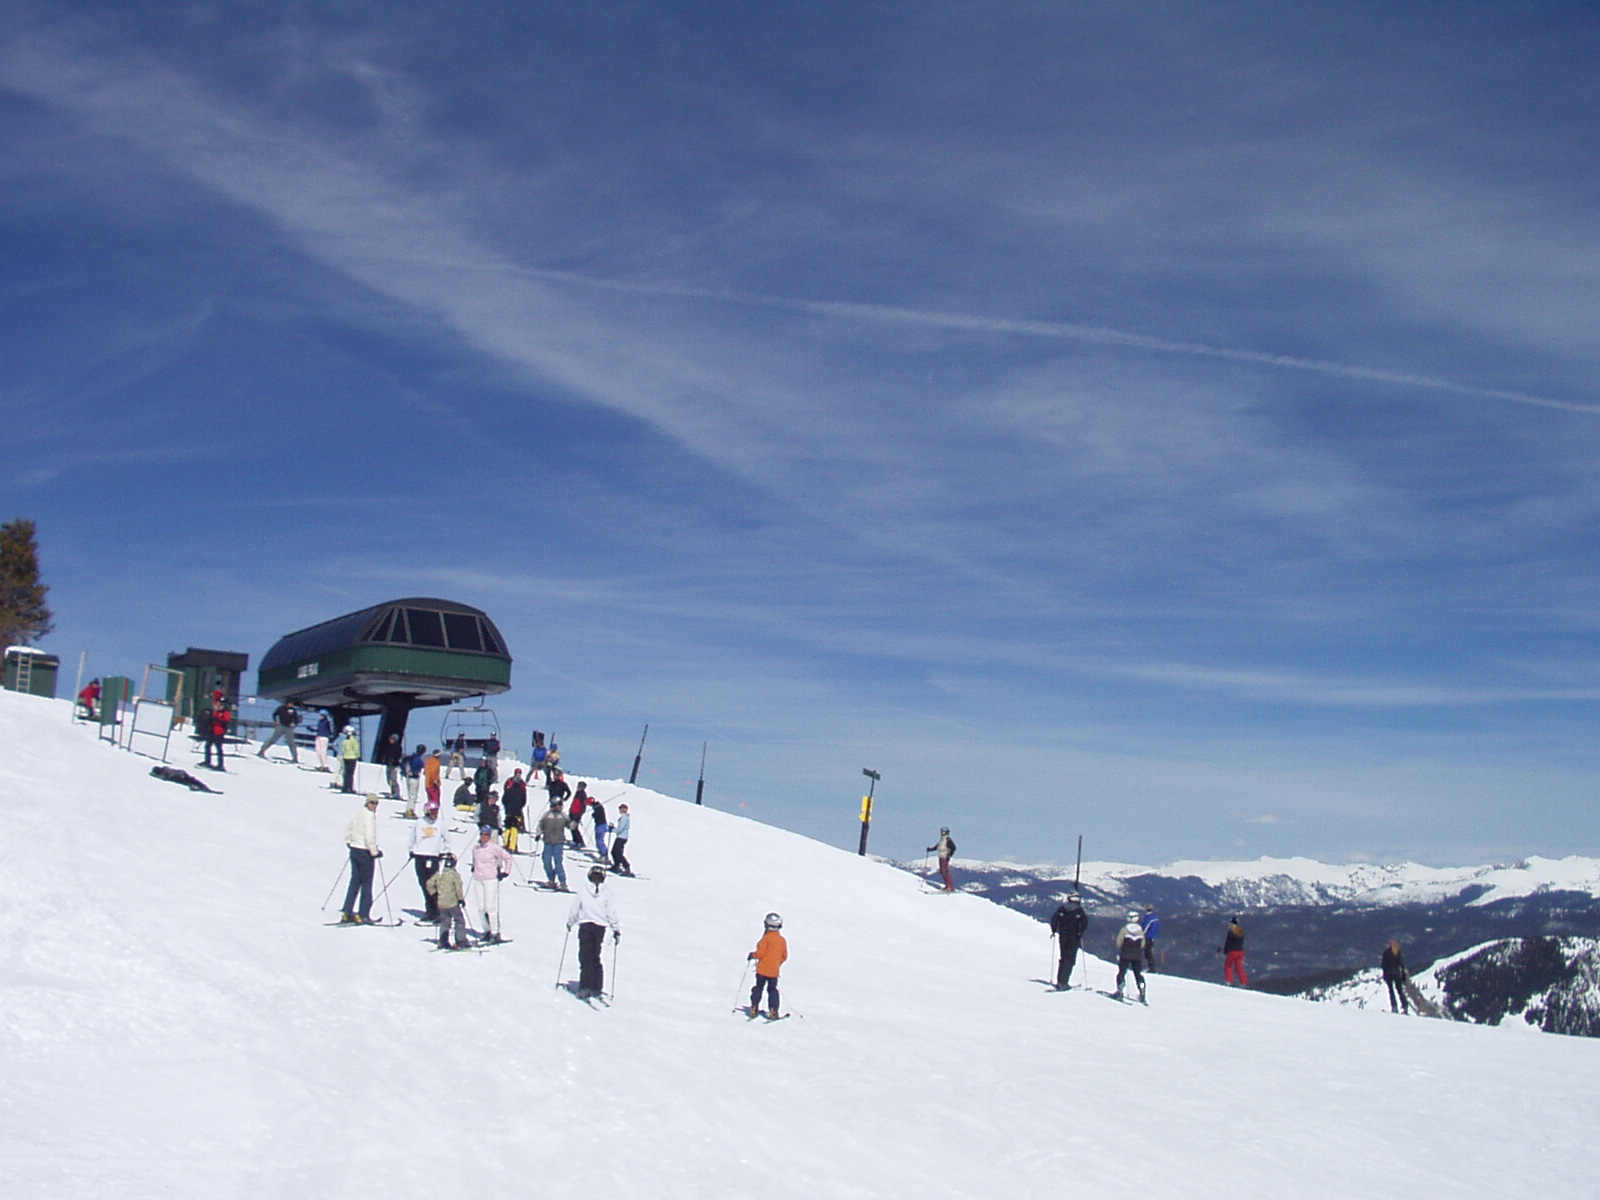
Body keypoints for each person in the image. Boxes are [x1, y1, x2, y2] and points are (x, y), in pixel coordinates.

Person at [567, 864, 621, 1000]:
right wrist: (615, 929)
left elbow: (575, 909)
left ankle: (585, 987)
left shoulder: (583, 891)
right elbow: (611, 912)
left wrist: (570, 923)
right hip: (600, 927)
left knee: (586, 956)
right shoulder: (607, 893)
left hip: (585, 925)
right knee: (595, 955)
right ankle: (597, 987)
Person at [339, 794, 383, 924]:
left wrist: (349, 841)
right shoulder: (369, 816)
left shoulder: (359, 812)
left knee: (354, 882)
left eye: (376, 803)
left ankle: (347, 912)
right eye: (372, 803)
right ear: (367, 802)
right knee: (367, 885)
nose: (374, 806)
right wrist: (374, 852)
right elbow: (370, 836)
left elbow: (350, 827)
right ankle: (363, 914)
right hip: (365, 852)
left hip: (355, 850)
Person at [470, 824, 514, 944]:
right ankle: (486, 931)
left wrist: (505, 872)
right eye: (482, 834)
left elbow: (508, 858)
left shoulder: (494, 848)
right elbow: (475, 861)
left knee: (490, 907)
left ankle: (495, 932)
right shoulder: (476, 848)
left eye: (486, 835)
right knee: (481, 907)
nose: (483, 837)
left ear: (490, 836)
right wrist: (474, 867)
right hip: (478, 879)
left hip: (490, 879)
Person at [409, 797, 451, 921]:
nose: (434, 814)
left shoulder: (440, 823)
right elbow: (412, 838)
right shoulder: (419, 823)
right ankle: (430, 911)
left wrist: (444, 852)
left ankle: (437, 912)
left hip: (433, 856)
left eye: (436, 811)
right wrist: (411, 850)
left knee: (432, 885)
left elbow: (447, 839)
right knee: (423, 884)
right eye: (432, 812)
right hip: (420, 856)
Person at [746, 911, 789, 1019]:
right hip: (774, 971)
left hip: (761, 970)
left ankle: (754, 1007)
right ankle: (773, 1011)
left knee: (758, 987)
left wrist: (753, 955)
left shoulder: (765, 938)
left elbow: (760, 953)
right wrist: (776, 963)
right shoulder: (782, 940)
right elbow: (784, 956)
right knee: (772, 990)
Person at [427, 853, 470, 951]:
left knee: (445, 921)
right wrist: (461, 899)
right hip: (452, 903)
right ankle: (460, 940)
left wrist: (434, 894)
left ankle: (443, 941)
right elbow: (458, 888)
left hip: (441, 903)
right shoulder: (454, 875)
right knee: (459, 920)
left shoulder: (439, 874)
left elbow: (429, 883)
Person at [1048, 891, 1089, 989]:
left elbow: (1054, 919)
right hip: (1074, 937)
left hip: (1063, 936)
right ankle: (1063, 982)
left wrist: (1054, 930)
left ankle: (1060, 980)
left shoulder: (1062, 909)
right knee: (1070, 959)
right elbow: (1084, 922)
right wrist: (1080, 932)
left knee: (1063, 958)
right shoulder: (1079, 911)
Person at [1114, 910, 1147, 1003]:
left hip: (1125, 955)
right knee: (1138, 974)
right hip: (1137, 956)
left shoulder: (1124, 929)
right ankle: (1141, 988)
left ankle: (1120, 989)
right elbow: (1143, 944)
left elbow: (1119, 942)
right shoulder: (1140, 930)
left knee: (1122, 972)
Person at [539, 798, 572, 890]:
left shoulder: (563, 815)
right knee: (546, 861)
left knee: (558, 863)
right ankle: (551, 880)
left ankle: (563, 882)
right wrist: (538, 833)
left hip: (558, 843)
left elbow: (570, 826)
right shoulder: (547, 815)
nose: (560, 807)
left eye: (560, 805)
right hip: (548, 842)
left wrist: (574, 821)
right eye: (558, 805)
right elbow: (541, 824)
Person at [201, 692, 230, 771]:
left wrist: (217, 720)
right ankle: (207, 761)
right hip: (212, 731)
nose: (220, 705)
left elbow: (226, 721)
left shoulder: (225, 712)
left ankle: (220, 765)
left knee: (218, 748)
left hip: (219, 732)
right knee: (207, 746)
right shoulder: (217, 711)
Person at [502, 769, 528, 853]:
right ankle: (512, 846)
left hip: (508, 811)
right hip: (517, 812)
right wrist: (519, 806)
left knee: (508, 828)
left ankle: (505, 844)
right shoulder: (522, 791)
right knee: (514, 829)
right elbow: (524, 801)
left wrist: (507, 806)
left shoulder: (508, 790)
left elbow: (504, 800)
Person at [1382, 939, 1410, 1014]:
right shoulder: (1398, 952)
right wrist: (1403, 974)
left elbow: (1384, 964)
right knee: (1399, 990)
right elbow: (1401, 964)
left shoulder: (1386, 953)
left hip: (1389, 974)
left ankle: (1394, 1007)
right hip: (1397, 973)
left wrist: (1384, 974)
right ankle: (1405, 1006)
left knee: (1391, 991)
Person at [927, 827, 956, 892]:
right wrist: (930, 849)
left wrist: (949, 855)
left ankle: (950, 887)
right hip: (941, 857)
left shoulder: (948, 840)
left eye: (943, 832)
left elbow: (953, 848)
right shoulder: (942, 840)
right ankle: (947, 886)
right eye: (942, 832)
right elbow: (937, 847)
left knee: (945, 871)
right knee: (942, 871)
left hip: (945, 857)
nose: (942, 833)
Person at [402, 743, 426, 819]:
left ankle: (408, 810)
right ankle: (410, 811)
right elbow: (423, 765)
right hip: (414, 778)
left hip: (408, 777)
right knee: (413, 796)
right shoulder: (418, 759)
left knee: (410, 796)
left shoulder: (411, 757)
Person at [1223, 917, 1249, 987]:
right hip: (1240, 951)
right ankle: (1244, 982)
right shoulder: (1241, 932)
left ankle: (1229, 981)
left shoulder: (1231, 932)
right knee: (1239, 967)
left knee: (1228, 966)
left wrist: (1225, 951)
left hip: (1233, 952)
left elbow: (1228, 943)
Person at [378, 733, 404, 800]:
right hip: (388, 764)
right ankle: (393, 792)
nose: (390, 740)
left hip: (394, 765)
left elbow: (398, 756)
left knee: (393, 779)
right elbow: (386, 753)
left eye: (391, 739)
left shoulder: (398, 747)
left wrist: (394, 760)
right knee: (388, 779)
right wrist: (385, 758)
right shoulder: (389, 746)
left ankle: (396, 793)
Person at [610, 803, 632, 875]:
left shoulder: (624, 818)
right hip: (621, 837)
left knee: (617, 852)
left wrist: (612, 830)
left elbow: (620, 829)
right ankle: (616, 865)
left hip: (621, 837)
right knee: (615, 852)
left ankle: (626, 866)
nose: (620, 810)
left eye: (622, 809)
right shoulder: (624, 817)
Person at [338, 726, 362, 794]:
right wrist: (358, 756)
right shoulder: (354, 741)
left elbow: (343, 749)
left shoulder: (345, 741)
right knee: (351, 774)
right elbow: (356, 750)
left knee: (346, 773)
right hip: (352, 758)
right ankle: (349, 788)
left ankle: (345, 787)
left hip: (346, 758)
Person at [568, 781, 590, 850]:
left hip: (577, 814)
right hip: (572, 813)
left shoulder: (583, 795)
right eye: (578, 786)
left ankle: (580, 842)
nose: (578, 788)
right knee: (572, 827)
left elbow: (583, 806)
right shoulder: (577, 793)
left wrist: (579, 814)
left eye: (580, 787)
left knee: (574, 828)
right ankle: (575, 840)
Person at [1141, 904, 1160, 973]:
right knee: (1148, 952)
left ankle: (1151, 968)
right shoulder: (1155, 918)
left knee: (1146, 953)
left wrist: (1141, 934)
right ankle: (1151, 967)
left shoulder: (1149, 918)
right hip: (1152, 937)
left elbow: (1145, 927)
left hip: (1147, 937)